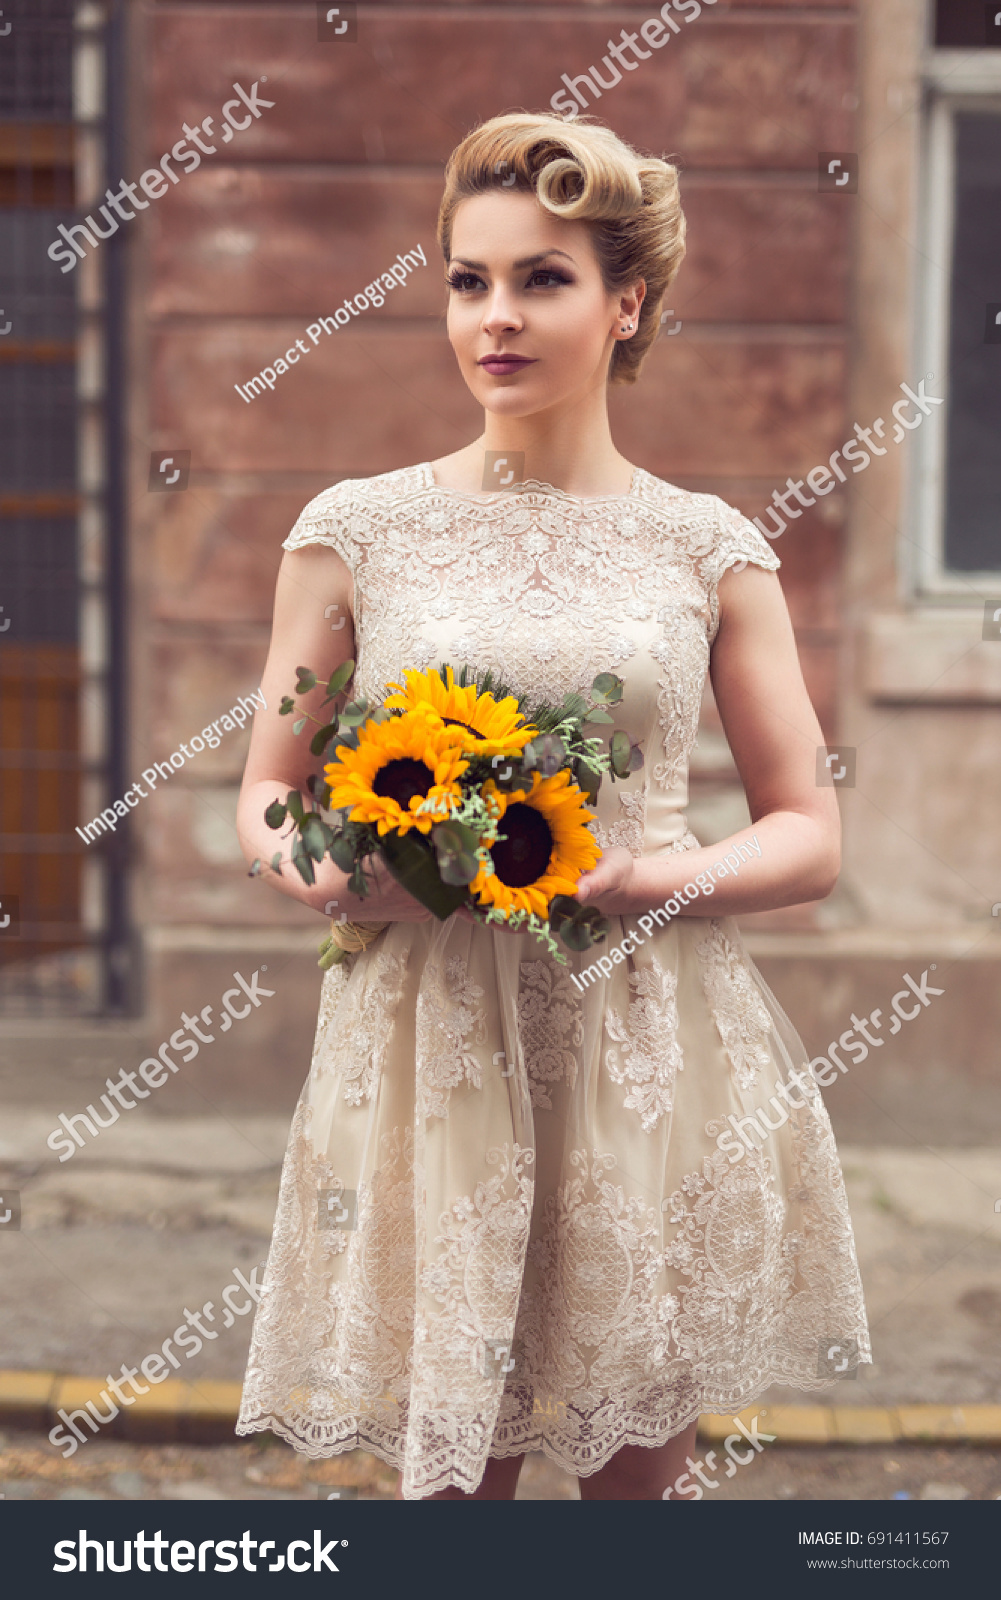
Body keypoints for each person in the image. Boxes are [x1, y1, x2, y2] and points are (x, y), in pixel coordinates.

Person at [234, 111, 870, 1501]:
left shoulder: (706, 547)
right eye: (468, 281)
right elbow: (269, 793)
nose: (495, 318)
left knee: (632, 1486)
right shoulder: (356, 530)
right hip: (431, 1035)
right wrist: (333, 873)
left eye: (541, 279)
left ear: (626, 302)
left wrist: (641, 877)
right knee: (451, 1485)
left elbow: (808, 835)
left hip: (636, 1035)